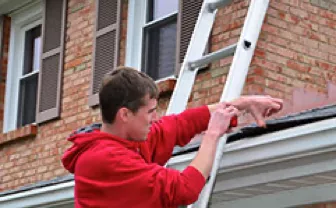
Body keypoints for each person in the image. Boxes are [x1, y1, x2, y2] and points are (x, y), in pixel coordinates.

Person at [62, 66, 283, 208]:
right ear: (125, 114)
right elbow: (184, 189)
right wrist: (212, 134)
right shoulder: (106, 160)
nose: (154, 118)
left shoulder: (127, 141)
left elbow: (180, 124)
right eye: (149, 112)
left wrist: (242, 104)